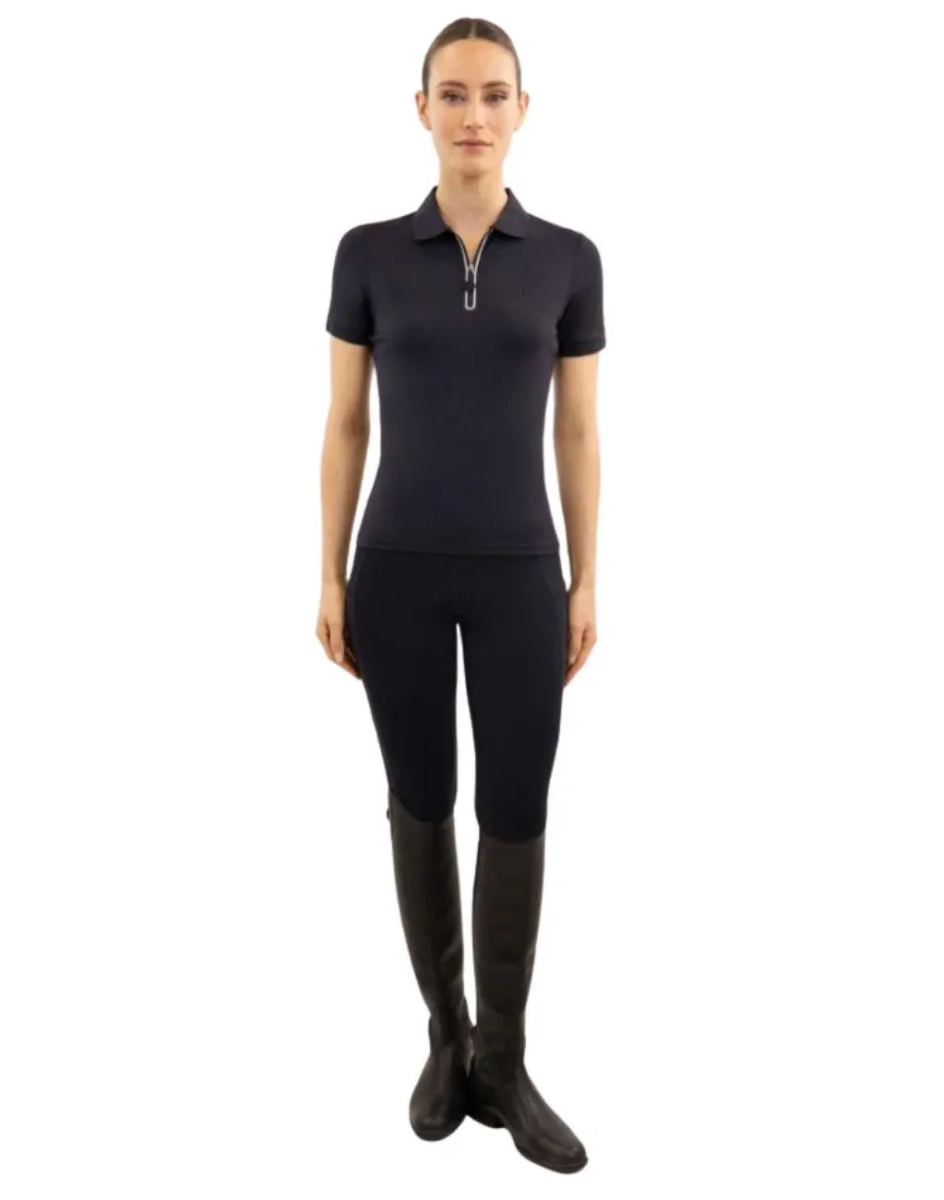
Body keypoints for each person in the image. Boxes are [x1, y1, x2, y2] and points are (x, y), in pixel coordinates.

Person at [315, 17, 604, 1175]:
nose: (473, 114)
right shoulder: (368, 254)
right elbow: (345, 422)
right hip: (396, 571)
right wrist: (327, 570)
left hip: (523, 574)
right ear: (422, 109)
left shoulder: (569, 258)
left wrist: (587, 577)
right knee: (421, 799)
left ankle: (506, 1062)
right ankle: (446, 1039)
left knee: (517, 808)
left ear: (523, 110)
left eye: (493, 94)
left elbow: (577, 431)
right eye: (453, 94)